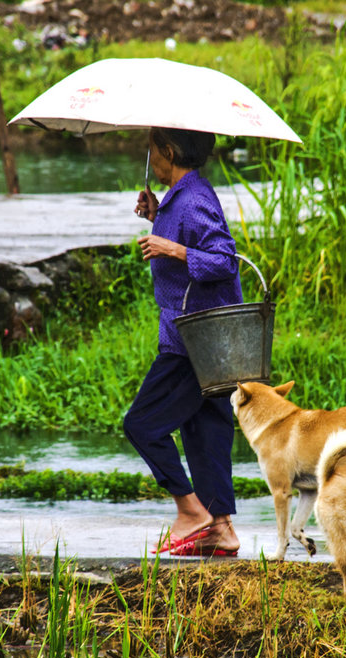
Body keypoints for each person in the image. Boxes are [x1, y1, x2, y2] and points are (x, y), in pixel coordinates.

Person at [123, 127, 242, 557]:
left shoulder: (194, 199)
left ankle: (190, 511)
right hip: (209, 339)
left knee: (142, 424)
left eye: (153, 150)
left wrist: (171, 248)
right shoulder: (182, 196)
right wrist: (157, 216)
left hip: (192, 339)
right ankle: (221, 529)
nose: (151, 158)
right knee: (204, 427)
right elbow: (192, 238)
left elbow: (224, 260)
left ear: (169, 152)